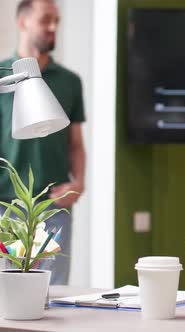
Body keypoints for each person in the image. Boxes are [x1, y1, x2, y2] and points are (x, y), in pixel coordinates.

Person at [0, 0, 85, 285]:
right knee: (6, 296)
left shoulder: (69, 81)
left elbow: (76, 143)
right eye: (45, 19)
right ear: (22, 22)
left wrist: (78, 184)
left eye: (56, 21)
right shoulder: (3, 77)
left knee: (52, 293)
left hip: (52, 208)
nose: (52, 28)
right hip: (5, 208)